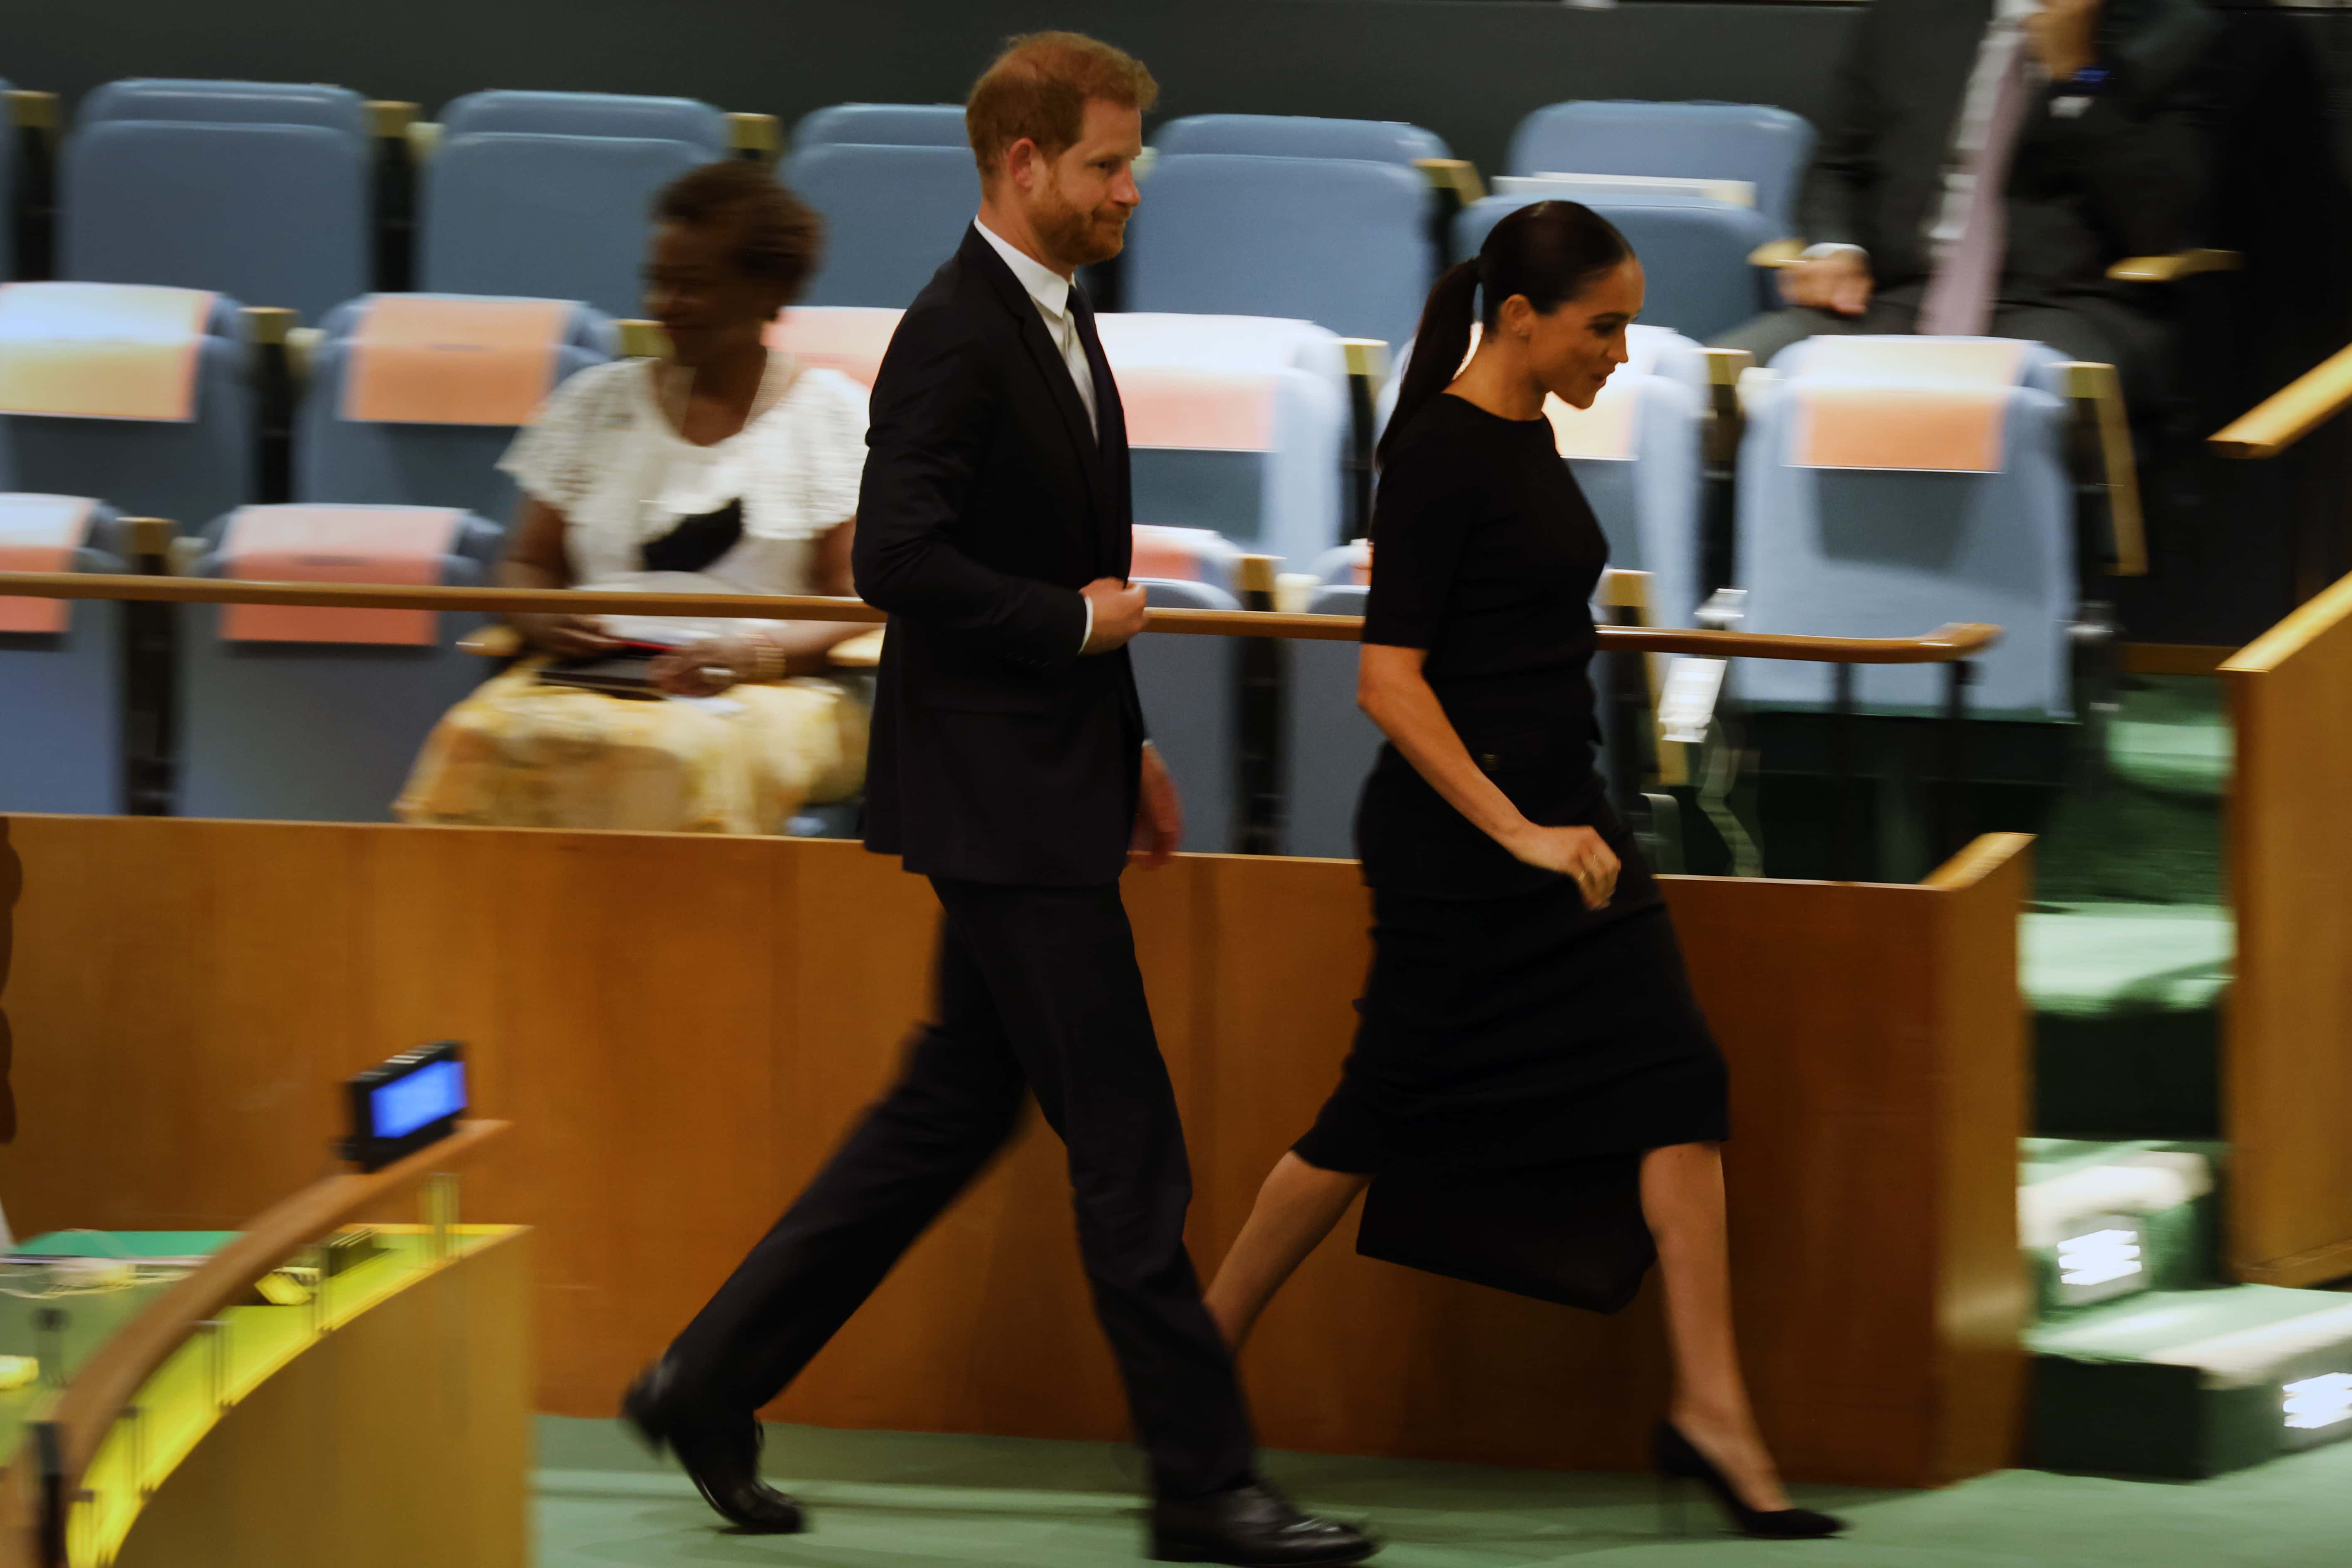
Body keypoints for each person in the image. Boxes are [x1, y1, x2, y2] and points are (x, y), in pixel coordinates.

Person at [618, 34, 1376, 1567]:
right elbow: (895, 561)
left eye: (1129, 160)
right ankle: (1199, 1481)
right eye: (1107, 162)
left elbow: (1064, 562)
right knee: (1127, 1142)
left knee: (945, 1111)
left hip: (1040, 778)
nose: (1130, 187)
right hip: (1000, 801)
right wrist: (1075, 632)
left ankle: (703, 1378)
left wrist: (1125, 737)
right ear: (1023, 164)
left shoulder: (1054, 315)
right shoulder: (956, 332)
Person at [1200, 202, 1844, 1541]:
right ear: (1519, 318)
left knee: (1679, 1084)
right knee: (1370, 1115)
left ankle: (1712, 1410)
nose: (1620, 351)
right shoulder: (1438, 452)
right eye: (1603, 325)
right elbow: (1388, 682)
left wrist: (1558, 822)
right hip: (1467, 847)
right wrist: (1517, 832)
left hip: (1568, 824)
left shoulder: (1525, 429)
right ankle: (1190, 1370)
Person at [396, 161, 871, 835]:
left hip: (772, 685)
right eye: (658, 282)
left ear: (769, 291)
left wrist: (753, 656)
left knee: (672, 755)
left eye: (692, 285)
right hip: (596, 674)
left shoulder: (834, 416)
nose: (664, 304)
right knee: (472, 740)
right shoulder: (592, 402)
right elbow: (527, 563)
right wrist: (540, 618)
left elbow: (855, 596)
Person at [1715, 0, 2215, 411]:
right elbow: (1838, 166)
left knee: (2004, 412)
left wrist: (2080, 75)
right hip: (1892, 299)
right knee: (1719, 380)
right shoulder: (1910, 15)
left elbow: (2158, 221)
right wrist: (1835, 248)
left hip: (2060, 307)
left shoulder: (2166, 33)